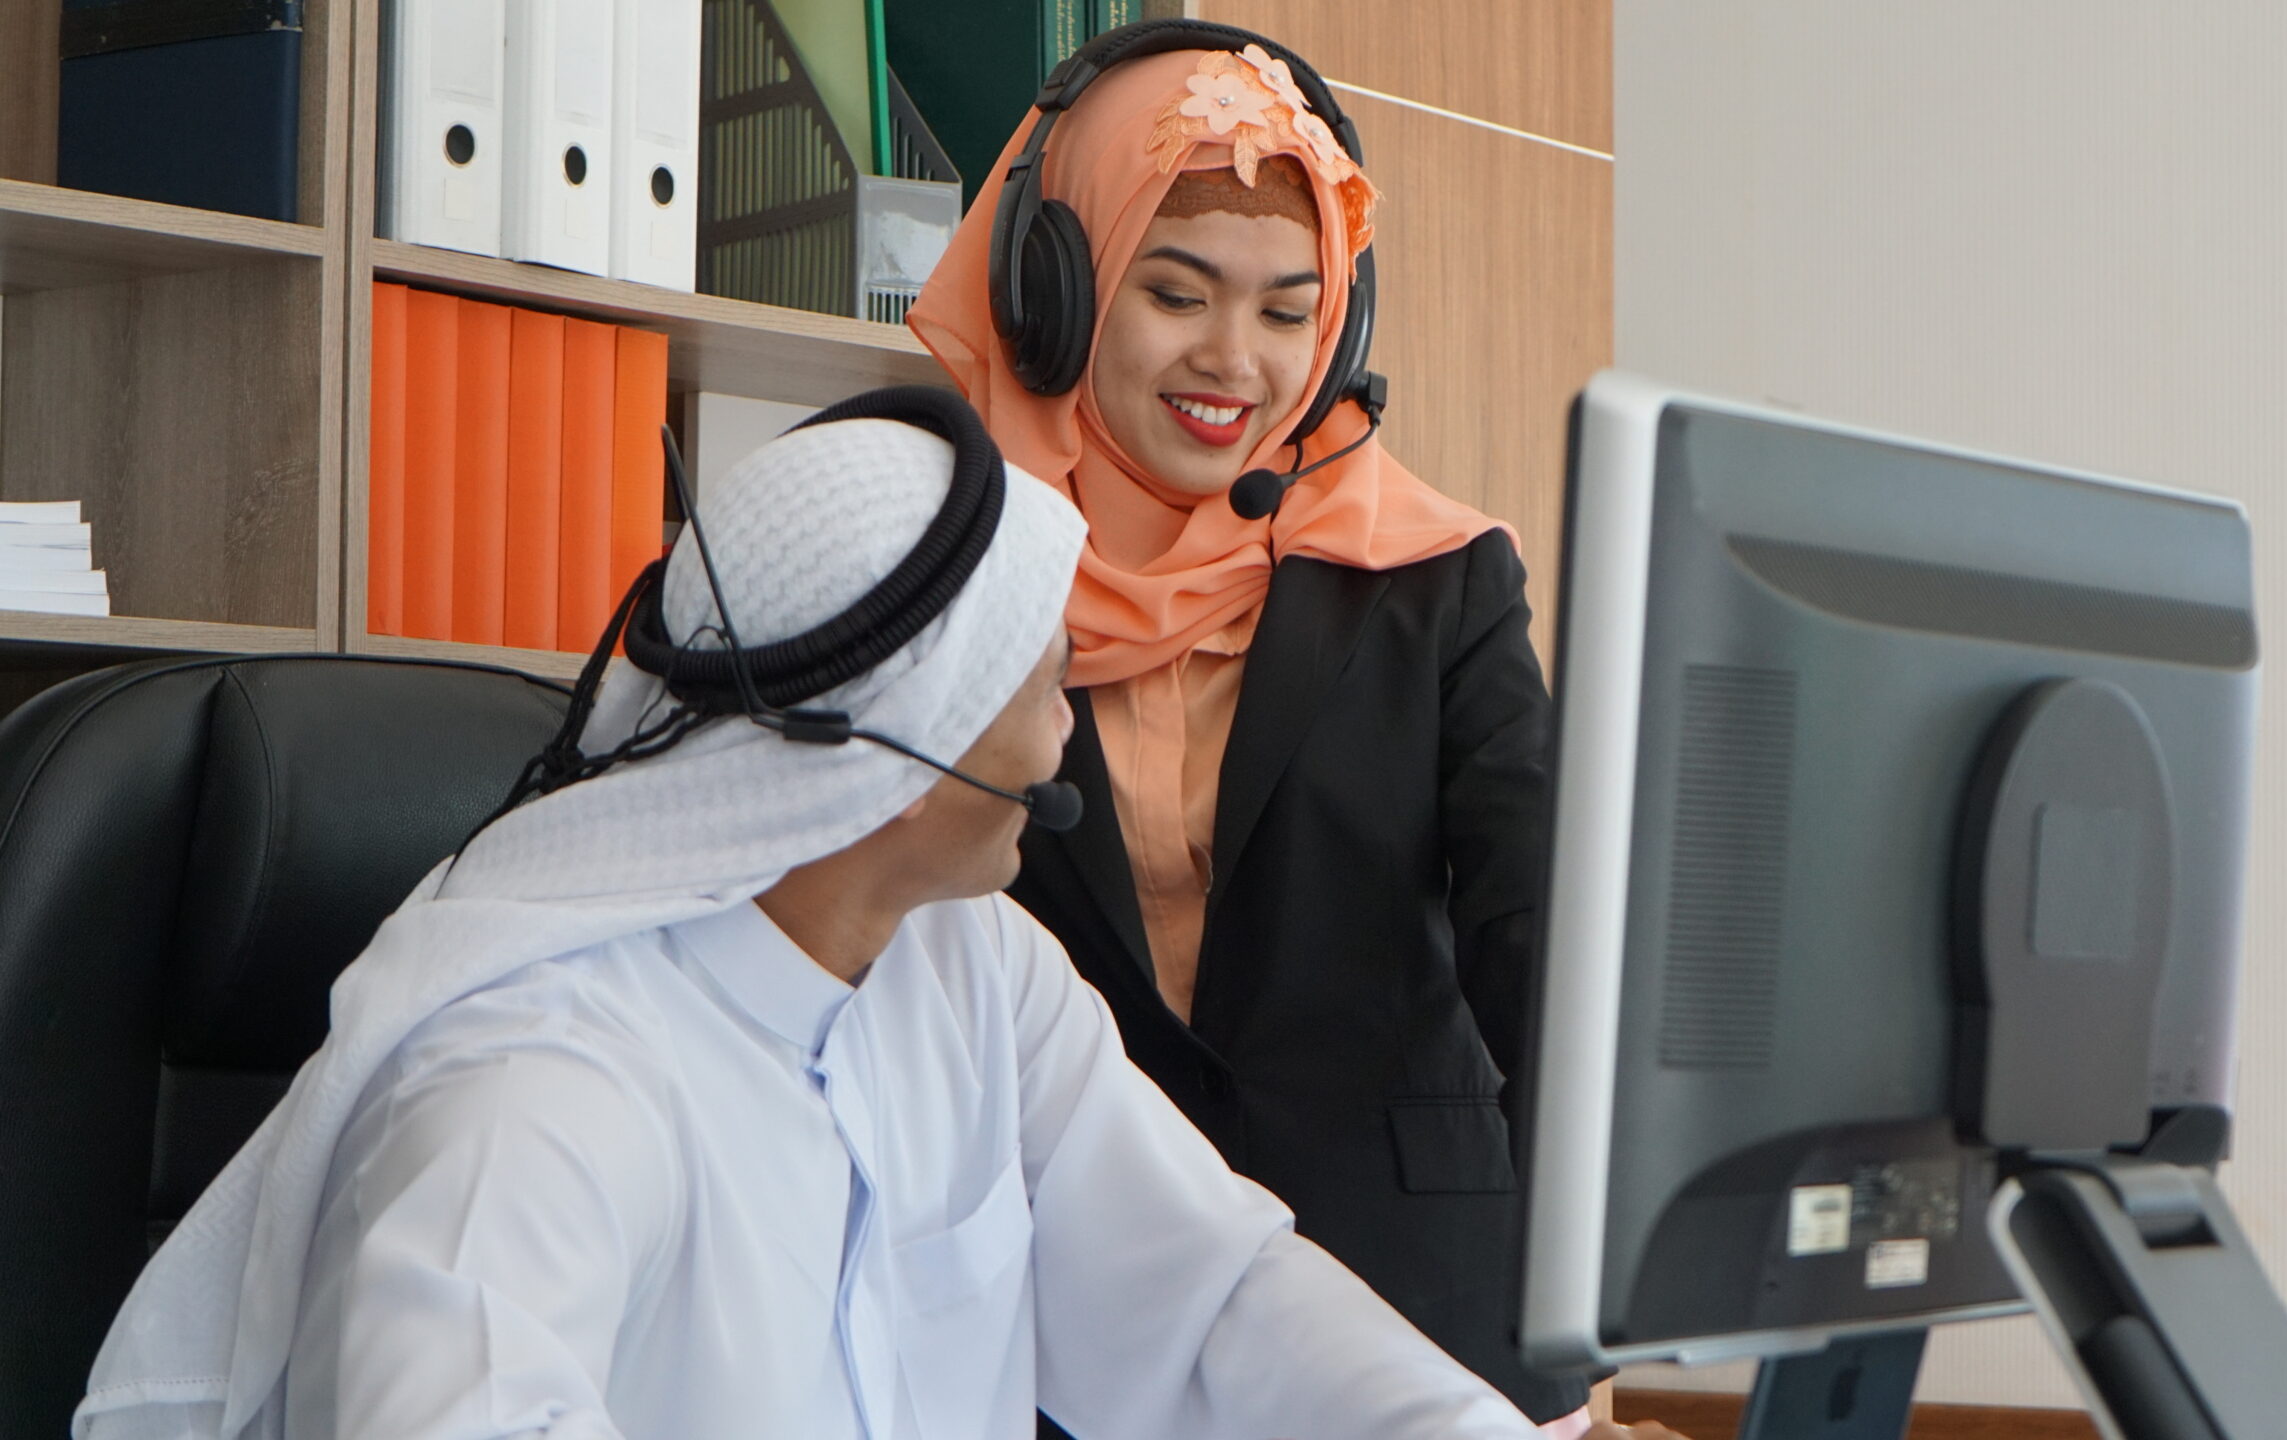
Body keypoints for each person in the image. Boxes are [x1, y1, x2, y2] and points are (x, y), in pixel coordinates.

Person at [69, 391, 1621, 1440]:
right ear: (897, 750)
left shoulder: (973, 974)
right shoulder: (537, 1087)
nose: (1065, 727)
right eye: (1038, 673)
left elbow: (1212, 1301)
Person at [911, 23, 1626, 1436]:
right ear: (1058, 292)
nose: (1233, 362)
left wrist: (1594, 1302)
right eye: (1175, 293)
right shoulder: (943, 574)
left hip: (1414, 1303)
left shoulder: (1436, 578)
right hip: (1063, 1314)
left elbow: (1536, 941)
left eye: (1289, 311)